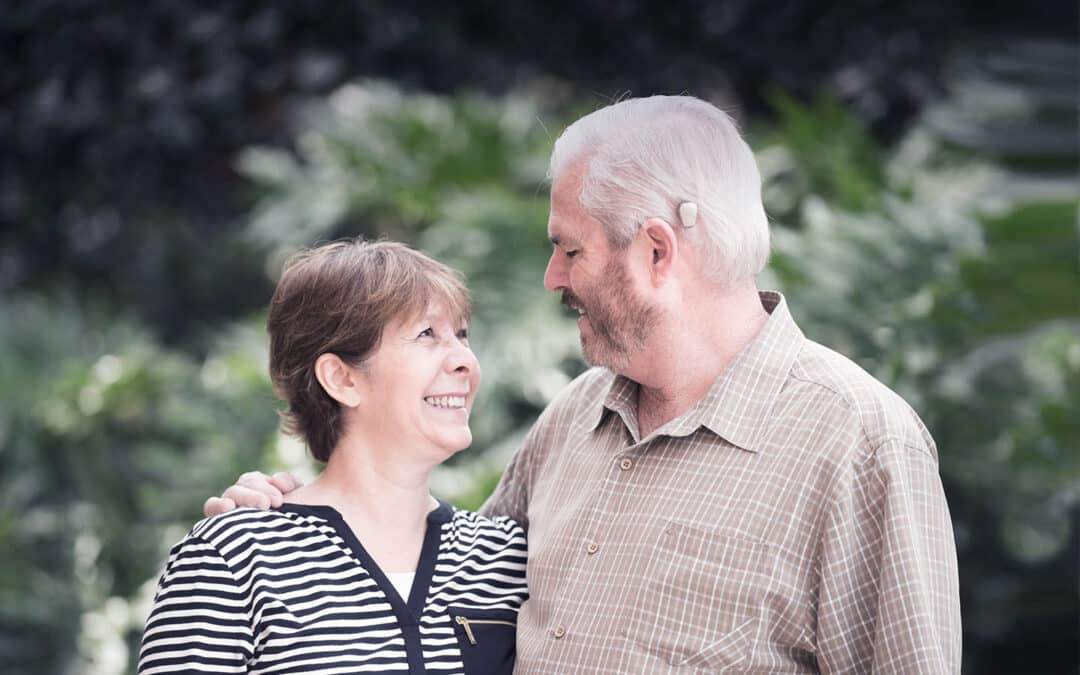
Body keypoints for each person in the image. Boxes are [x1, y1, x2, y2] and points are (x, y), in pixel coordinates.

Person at [204, 95, 962, 673]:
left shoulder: (859, 441)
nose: (551, 277)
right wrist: (280, 522)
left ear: (656, 252)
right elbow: (437, 595)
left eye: (570, 249)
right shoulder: (576, 416)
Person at [139, 241, 528, 674]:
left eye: (462, 334)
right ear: (341, 378)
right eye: (427, 334)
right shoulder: (232, 558)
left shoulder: (503, 558)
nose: (465, 361)